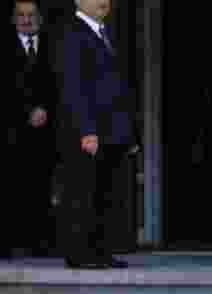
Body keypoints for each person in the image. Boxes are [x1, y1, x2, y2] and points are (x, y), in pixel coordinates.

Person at [57, 0, 137, 270]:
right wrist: (86, 129)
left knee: (105, 193)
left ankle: (100, 252)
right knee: (84, 193)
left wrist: (127, 132)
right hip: (90, 132)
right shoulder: (73, 33)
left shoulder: (105, 33)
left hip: (111, 132)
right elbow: (74, 87)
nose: (104, 1)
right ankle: (80, 253)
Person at [7, 0, 56, 258]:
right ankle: (8, 243)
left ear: (40, 19)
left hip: (45, 133)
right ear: (13, 20)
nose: (26, 20)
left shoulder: (52, 47)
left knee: (41, 189)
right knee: (10, 188)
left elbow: (59, 84)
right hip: (11, 133)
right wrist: (26, 112)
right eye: (21, 15)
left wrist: (45, 109)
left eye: (31, 15)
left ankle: (40, 243)